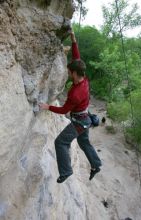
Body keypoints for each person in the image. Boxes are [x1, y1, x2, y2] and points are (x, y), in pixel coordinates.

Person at [39, 30, 102, 183]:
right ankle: (96, 164)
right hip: (85, 118)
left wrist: (48, 107)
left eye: (68, 71)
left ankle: (66, 171)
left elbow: (64, 110)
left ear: (74, 73)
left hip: (79, 122)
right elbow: (77, 58)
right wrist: (74, 40)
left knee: (60, 142)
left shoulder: (76, 93)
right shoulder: (83, 77)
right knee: (83, 142)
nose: (67, 72)